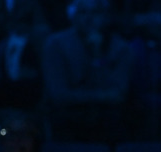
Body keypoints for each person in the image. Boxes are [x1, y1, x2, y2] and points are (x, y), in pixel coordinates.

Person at [42, 0, 132, 142]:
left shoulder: (121, 48)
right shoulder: (56, 44)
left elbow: (119, 94)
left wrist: (97, 56)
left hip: (108, 123)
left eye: (96, 12)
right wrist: (103, 96)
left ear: (106, 16)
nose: (89, 18)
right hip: (67, 120)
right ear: (73, 16)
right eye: (83, 12)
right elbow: (58, 95)